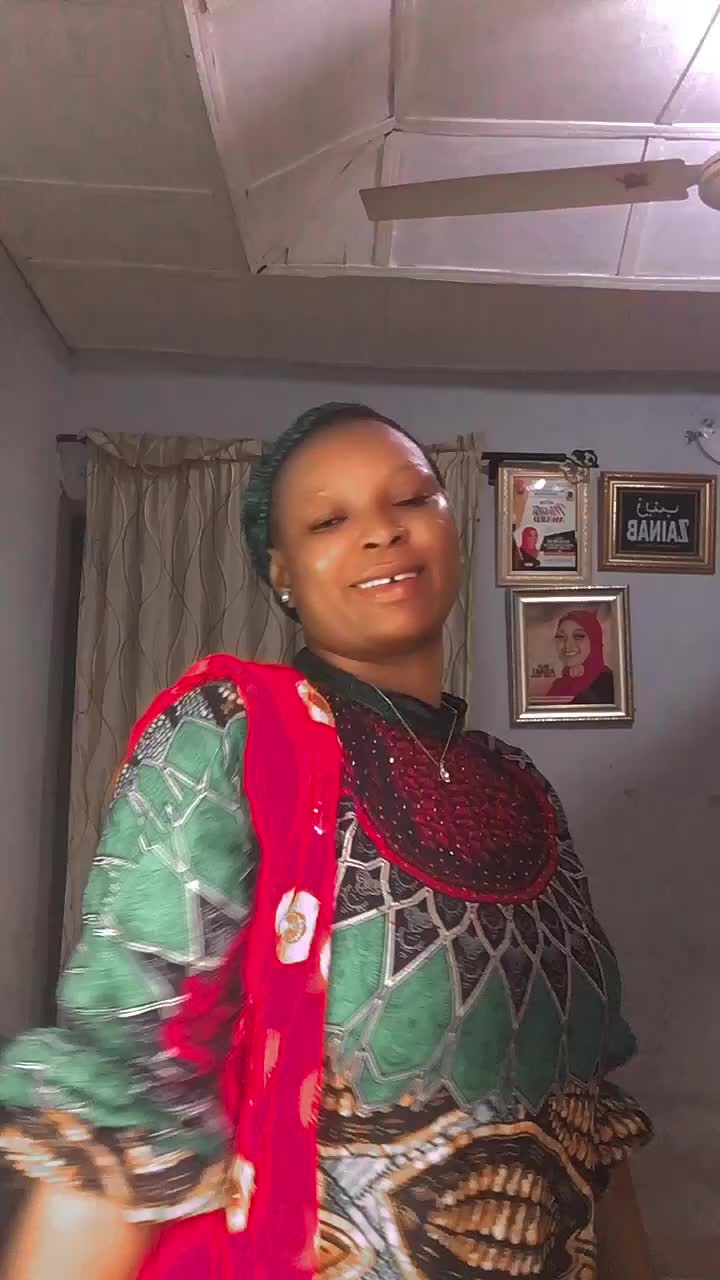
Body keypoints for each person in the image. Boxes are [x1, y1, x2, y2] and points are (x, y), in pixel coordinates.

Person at [0, 403, 655, 1280]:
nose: (382, 532)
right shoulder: (229, 737)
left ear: (453, 524)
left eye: (411, 499)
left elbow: (592, 1124)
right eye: (329, 520)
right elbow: (123, 1094)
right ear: (282, 571)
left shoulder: (520, 785)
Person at [548, 611, 616, 706]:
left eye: (578, 636)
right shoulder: (560, 685)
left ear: (594, 641)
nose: (568, 646)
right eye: (561, 636)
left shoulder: (609, 683)